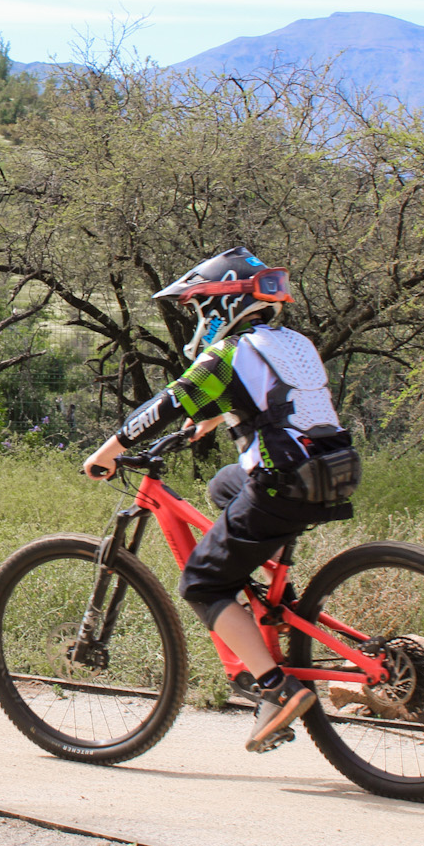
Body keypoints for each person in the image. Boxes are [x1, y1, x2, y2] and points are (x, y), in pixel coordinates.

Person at [83, 247, 362, 754]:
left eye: (199, 309)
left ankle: (277, 689)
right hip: (333, 471)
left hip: (284, 484)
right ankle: (272, 589)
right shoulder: (292, 342)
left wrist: (109, 451)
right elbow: (277, 399)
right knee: (223, 486)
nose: (197, 319)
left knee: (202, 582)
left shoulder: (229, 353)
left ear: (222, 306)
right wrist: (210, 418)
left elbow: (166, 403)